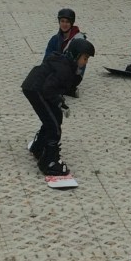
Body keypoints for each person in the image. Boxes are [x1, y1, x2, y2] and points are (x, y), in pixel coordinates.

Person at [23, 35, 95, 176]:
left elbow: (56, 87)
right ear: (76, 56)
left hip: (34, 87)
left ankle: (39, 147)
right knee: (54, 126)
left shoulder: (67, 65)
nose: (85, 62)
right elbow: (48, 89)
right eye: (85, 58)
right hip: (36, 89)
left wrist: (59, 103)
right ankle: (49, 162)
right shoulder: (65, 69)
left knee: (55, 117)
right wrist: (59, 102)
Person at [44, 8, 86, 95]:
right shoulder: (55, 39)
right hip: (57, 70)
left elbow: (78, 65)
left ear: (71, 23)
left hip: (72, 74)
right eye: (62, 21)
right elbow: (46, 58)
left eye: (67, 22)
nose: (64, 24)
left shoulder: (79, 40)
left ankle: (65, 88)